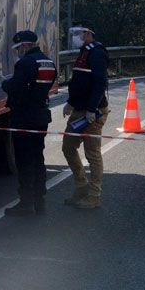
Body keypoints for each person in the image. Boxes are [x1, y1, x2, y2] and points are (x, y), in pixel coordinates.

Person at [1, 30, 57, 216]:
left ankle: (25, 203)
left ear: (25, 45)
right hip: (41, 116)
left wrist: (5, 84)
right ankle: (40, 201)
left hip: (24, 118)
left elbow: (16, 89)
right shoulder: (48, 62)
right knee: (38, 159)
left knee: (24, 161)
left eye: (18, 48)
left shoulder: (24, 63)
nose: (18, 51)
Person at [61, 23, 109, 209]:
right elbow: (79, 81)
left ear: (88, 33)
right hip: (78, 110)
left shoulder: (97, 52)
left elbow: (99, 83)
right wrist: (71, 102)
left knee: (92, 154)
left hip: (92, 113)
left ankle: (94, 195)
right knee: (68, 147)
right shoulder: (84, 51)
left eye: (77, 33)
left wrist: (91, 109)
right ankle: (81, 185)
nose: (73, 37)